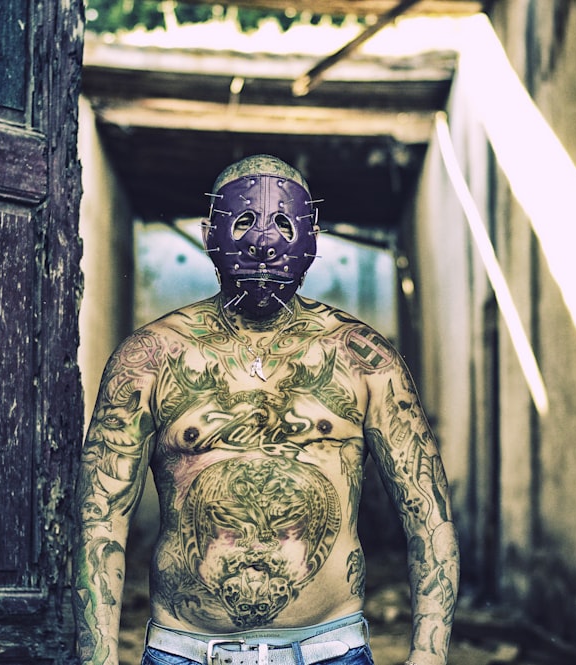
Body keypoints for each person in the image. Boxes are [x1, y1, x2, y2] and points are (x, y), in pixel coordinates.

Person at [74, 154, 458, 665]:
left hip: (330, 652)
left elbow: (427, 514)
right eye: (243, 221)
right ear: (212, 232)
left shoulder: (364, 358)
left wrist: (429, 656)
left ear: (311, 236)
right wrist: (97, 658)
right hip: (184, 651)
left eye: (282, 222)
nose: (263, 241)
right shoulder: (150, 358)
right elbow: (100, 520)